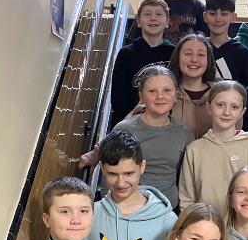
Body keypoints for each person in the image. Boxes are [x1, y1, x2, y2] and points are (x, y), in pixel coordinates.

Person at [82, 66, 192, 210]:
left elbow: (184, 176)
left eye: (167, 90)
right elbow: (108, 178)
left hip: (166, 210)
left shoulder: (183, 133)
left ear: (176, 95)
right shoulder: (125, 129)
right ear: (141, 96)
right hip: (126, 209)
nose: (160, 96)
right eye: (152, 91)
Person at [178, 80, 248, 212]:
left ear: (242, 112)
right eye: (220, 105)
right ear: (209, 108)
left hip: (241, 227)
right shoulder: (194, 150)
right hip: (205, 226)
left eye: (234, 107)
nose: (227, 112)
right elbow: (187, 199)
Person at [110, 0, 175, 128]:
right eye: (147, 14)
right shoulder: (126, 54)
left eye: (158, 14)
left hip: (165, 122)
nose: (153, 18)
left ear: (167, 21)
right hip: (133, 123)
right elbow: (118, 97)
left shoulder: (174, 53)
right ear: (138, 21)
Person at [167, 34, 218, 139]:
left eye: (201, 55)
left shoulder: (221, 96)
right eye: (188, 54)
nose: (194, 59)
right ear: (177, 58)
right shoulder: (164, 94)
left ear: (208, 61)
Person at [203, 0, 248, 86]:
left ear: (233, 17)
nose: (218, 19)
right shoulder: (199, 49)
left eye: (224, 14)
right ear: (205, 17)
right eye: (212, 14)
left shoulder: (242, 53)